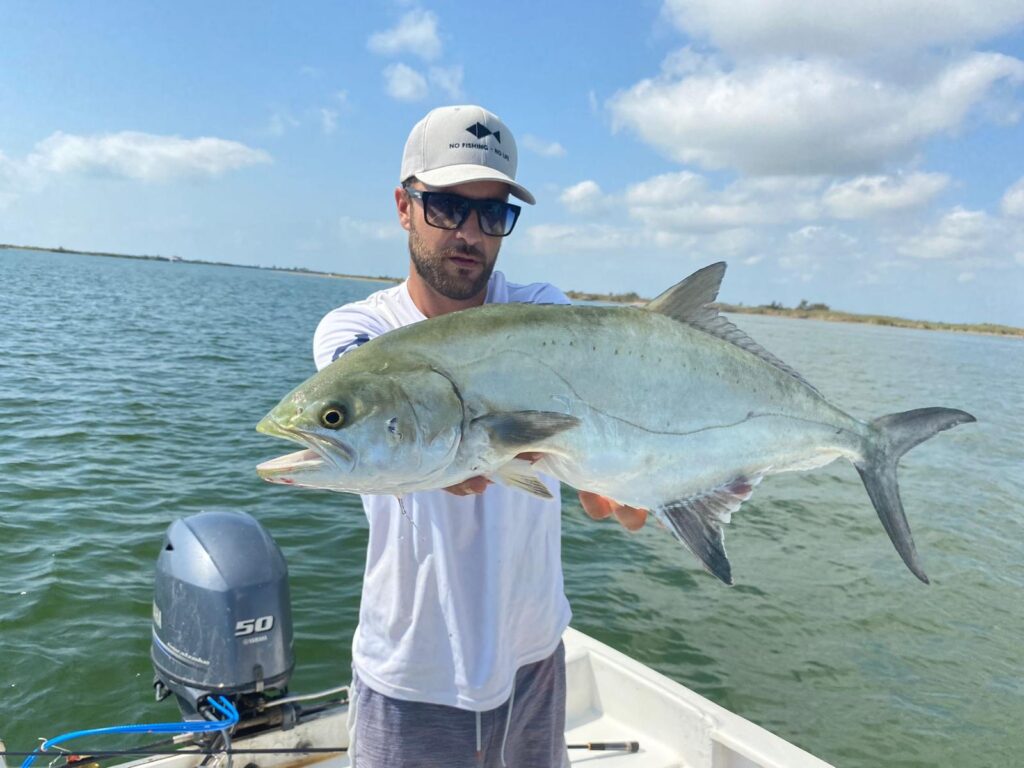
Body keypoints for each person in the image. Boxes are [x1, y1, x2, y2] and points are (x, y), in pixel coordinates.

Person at [313, 105, 646, 768]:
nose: (470, 233)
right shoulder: (357, 334)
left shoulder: (543, 312)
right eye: (446, 207)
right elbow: (420, 446)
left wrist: (629, 484)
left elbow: (592, 445)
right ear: (403, 207)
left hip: (533, 655)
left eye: (492, 215)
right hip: (413, 670)